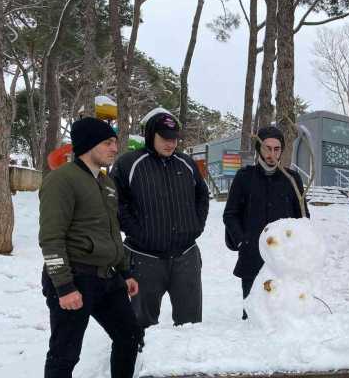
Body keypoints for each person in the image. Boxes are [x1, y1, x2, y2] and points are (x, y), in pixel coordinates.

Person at [39, 117, 140, 378]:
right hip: (75, 278)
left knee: (129, 336)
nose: (115, 148)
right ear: (88, 144)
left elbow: (111, 231)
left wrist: (124, 271)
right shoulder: (62, 180)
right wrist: (64, 287)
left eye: (115, 143)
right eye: (107, 143)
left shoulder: (106, 183)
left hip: (107, 278)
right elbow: (51, 237)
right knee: (65, 353)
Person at [110, 111, 209, 336]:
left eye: (174, 138)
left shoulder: (186, 163)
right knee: (141, 323)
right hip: (144, 258)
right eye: (165, 137)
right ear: (151, 136)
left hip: (186, 256)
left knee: (190, 324)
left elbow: (202, 195)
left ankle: (186, 364)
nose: (171, 143)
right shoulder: (129, 164)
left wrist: (196, 225)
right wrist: (138, 232)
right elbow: (117, 203)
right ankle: (141, 361)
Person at [223, 126, 309, 319]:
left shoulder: (292, 179)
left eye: (276, 149)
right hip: (252, 257)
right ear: (258, 149)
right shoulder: (244, 177)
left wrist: (295, 246)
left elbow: (303, 220)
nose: (272, 153)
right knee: (254, 317)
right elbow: (230, 214)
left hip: (283, 261)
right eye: (267, 148)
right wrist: (242, 241)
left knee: (284, 317)